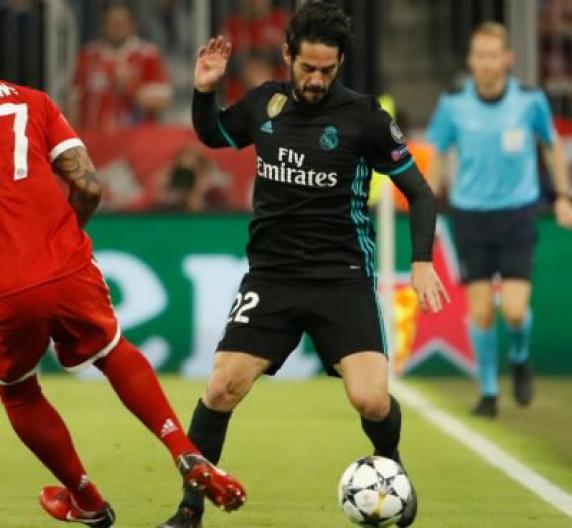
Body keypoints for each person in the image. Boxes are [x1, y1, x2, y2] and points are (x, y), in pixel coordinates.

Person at [0, 14, 245, 527]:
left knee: (18, 391)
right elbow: (90, 186)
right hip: (65, 265)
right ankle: (184, 450)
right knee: (112, 352)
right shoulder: (34, 101)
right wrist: (65, 234)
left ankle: (85, 497)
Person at [159, 2, 449, 527]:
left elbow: (421, 195)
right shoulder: (265, 104)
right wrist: (205, 90)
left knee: (370, 400)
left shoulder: (365, 118)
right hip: (272, 278)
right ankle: (188, 509)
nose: (316, 80)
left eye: (328, 71)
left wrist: (423, 261)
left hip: (342, 277)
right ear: (287, 55)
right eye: (307, 68)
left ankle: (392, 470)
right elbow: (211, 135)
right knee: (222, 386)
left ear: (340, 64)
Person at [426, 22, 572, 418]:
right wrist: (427, 205)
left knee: (513, 309)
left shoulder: (529, 100)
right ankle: (489, 391)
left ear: (507, 59)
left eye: (495, 55)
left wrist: (563, 195)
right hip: (470, 215)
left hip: (517, 214)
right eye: (480, 55)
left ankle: (521, 357)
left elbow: (551, 145)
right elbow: (438, 155)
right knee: (481, 312)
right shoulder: (454, 103)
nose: (488, 63)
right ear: (471, 61)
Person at [69, 3, 171, 131]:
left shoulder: (148, 55)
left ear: (133, 25)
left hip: (137, 139)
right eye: (111, 23)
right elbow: (73, 101)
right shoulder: (88, 55)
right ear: (103, 26)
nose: (116, 28)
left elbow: (163, 100)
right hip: (96, 137)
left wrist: (130, 88)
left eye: (121, 23)